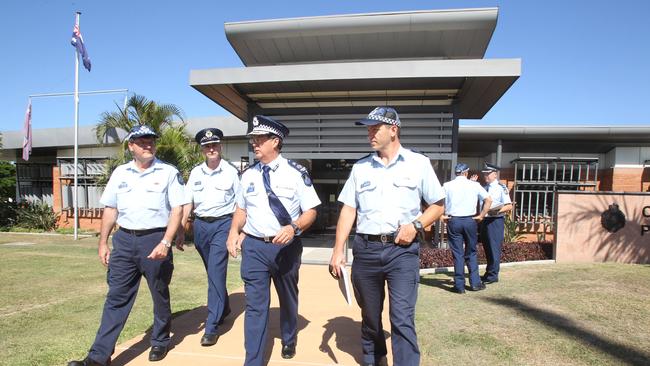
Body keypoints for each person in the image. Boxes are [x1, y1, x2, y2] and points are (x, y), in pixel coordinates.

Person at [329, 106, 445, 366]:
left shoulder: (419, 163)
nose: (369, 133)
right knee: (370, 314)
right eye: (368, 128)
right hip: (366, 250)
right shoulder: (360, 168)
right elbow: (349, 209)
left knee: (402, 316)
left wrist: (415, 225)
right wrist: (338, 250)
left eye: (374, 128)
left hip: (401, 251)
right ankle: (374, 357)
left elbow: (438, 205)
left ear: (393, 130)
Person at [68, 125, 187, 366]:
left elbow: (177, 209)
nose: (147, 145)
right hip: (124, 241)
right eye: (141, 141)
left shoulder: (168, 172)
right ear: (131, 146)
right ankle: (98, 357)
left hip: (155, 239)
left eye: (151, 141)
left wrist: (166, 241)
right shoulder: (120, 173)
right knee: (116, 298)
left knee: (159, 293)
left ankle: (160, 341)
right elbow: (111, 210)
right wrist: (103, 242)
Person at [226, 115, 320, 366]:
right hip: (255, 246)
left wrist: (294, 227)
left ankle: (289, 337)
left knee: (287, 297)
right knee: (255, 305)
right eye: (253, 139)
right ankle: (253, 360)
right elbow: (241, 210)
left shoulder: (296, 172)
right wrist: (234, 232)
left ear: (275, 141)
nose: (254, 143)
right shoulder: (247, 175)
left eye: (260, 139)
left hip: (286, 247)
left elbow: (311, 211)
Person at [179, 127, 241, 346]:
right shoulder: (196, 173)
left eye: (214, 145)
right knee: (211, 272)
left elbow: (240, 204)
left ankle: (212, 325)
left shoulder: (231, 171)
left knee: (216, 272)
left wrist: (237, 231)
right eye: (207, 146)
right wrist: (181, 228)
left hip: (223, 224)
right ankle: (224, 307)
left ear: (220, 146)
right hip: (201, 227)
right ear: (202, 149)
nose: (211, 149)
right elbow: (188, 202)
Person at [442, 162, 492, 294]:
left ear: (456, 173)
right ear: (466, 173)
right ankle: (475, 283)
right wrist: (481, 215)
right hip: (470, 220)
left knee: (457, 254)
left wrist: (442, 215)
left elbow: (438, 201)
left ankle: (459, 286)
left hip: (454, 220)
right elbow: (488, 200)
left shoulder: (447, 185)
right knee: (471, 252)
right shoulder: (474, 185)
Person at [479, 162, 513, 284]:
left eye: (488, 174)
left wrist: (496, 211)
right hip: (485, 220)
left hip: (495, 220)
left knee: (494, 248)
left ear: (494, 174)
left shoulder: (501, 187)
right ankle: (489, 272)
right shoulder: (485, 188)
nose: (485, 176)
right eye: (485, 174)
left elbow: (509, 206)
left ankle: (493, 275)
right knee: (487, 248)